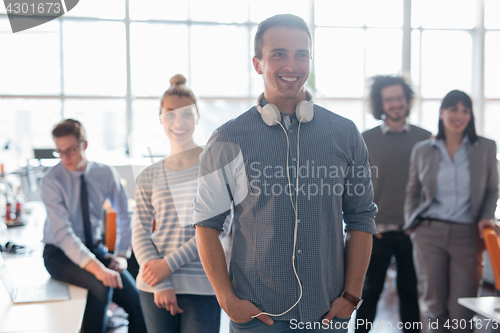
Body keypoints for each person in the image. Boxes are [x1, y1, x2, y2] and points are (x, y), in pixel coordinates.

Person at [193, 14, 377, 332]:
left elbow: (361, 219)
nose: (291, 65)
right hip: (257, 317)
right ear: (257, 63)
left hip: (328, 313)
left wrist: (352, 296)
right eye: (279, 54)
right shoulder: (227, 139)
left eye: (301, 54)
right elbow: (207, 225)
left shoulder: (345, 134)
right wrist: (226, 299)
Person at [132, 74, 224, 333]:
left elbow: (216, 229)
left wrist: (167, 266)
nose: (178, 121)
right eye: (170, 113)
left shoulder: (213, 167)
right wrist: (160, 282)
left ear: (197, 117)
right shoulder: (148, 175)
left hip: (203, 284)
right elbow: (138, 232)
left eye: (186, 114)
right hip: (155, 286)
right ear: (161, 118)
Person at [405, 90, 499, 332]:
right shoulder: (422, 149)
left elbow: (492, 189)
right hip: (429, 233)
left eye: (465, 110)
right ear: (441, 113)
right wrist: (412, 225)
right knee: (435, 309)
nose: (459, 115)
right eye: (453, 109)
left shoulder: (486, 148)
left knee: (462, 312)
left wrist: (486, 216)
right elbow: (412, 191)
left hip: (467, 235)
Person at [41, 119, 145, 333]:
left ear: (84, 145)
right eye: (59, 152)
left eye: (70, 150)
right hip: (59, 253)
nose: (65, 158)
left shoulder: (105, 174)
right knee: (101, 286)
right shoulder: (51, 180)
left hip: (95, 249)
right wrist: (99, 270)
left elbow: (124, 214)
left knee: (140, 307)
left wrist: (122, 255)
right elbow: (64, 235)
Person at [356, 75, 430, 332]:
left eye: (400, 98)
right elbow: (355, 187)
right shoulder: (365, 139)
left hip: (413, 232)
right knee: (369, 292)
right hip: (376, 232)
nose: (396, 104)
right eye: (389, 99)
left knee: (410, 293)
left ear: (407, 100)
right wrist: (364, 224)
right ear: (381, 104)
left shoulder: (426, 139)